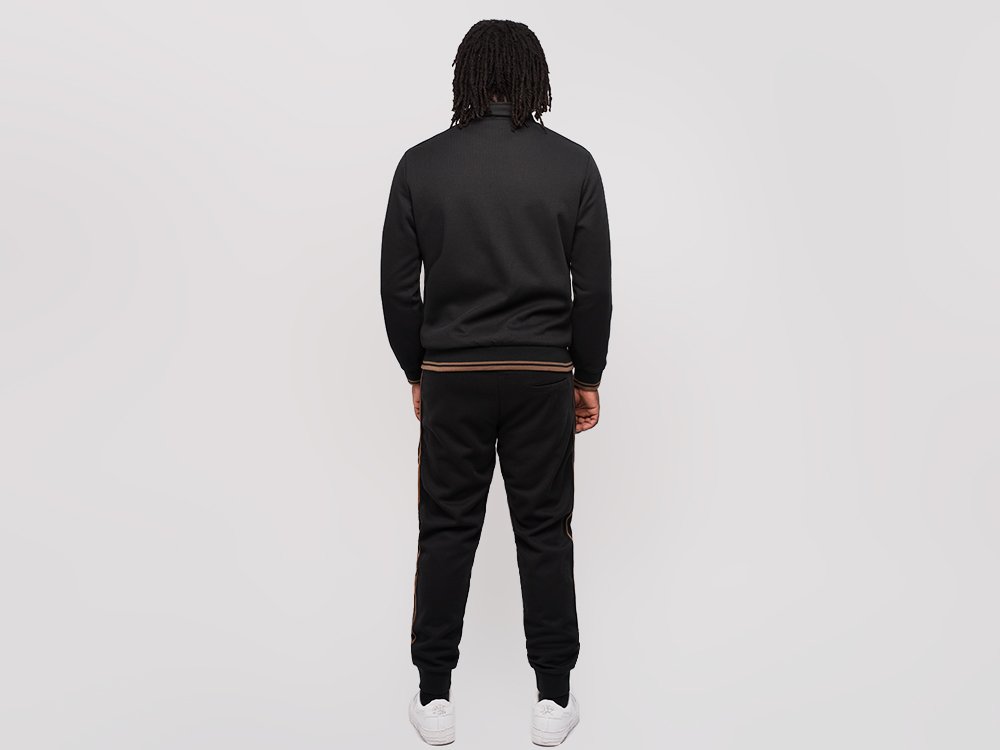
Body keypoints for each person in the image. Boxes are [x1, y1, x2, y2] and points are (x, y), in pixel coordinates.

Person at [380, 18, 612, 746]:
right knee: (544, 532)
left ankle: (433, 696)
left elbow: (397, 288)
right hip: (543, 374)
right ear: (533, 77)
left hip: (453, 373)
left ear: (467, 76)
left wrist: (417, 367)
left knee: (446, 530)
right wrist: (587, 374)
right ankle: (553, 698)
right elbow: (593, 289)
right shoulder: (573, 164)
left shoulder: (421, 165)